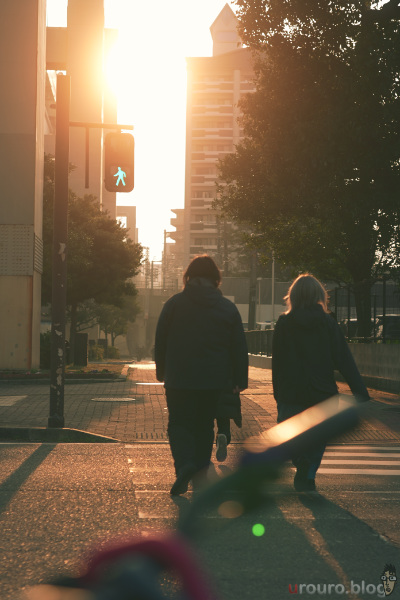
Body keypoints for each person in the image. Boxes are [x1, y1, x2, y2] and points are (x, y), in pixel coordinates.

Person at [155, 255, 248, 495]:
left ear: (188, 277)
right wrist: (239, 380)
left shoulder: (174, 304)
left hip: (179, 378)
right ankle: (199, 472)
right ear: (216, 280)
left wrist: (161, 371)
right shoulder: (228, 308)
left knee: (179, 423)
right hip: (214, 380)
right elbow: (238, 346)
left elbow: (161, 340)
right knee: (204, 425)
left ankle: (185, 464)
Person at [272, 273, 370, 492]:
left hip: (291, 391)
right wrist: (359, 391)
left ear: (293, 296)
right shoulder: (328, 323)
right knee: (318, 437)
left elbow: (277, 360)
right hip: (323, 392)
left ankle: (300, 461)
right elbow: (343, 358)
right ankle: (309, 474)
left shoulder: (285, 323)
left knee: (290, 434)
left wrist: (277, 391)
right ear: (320, 295)